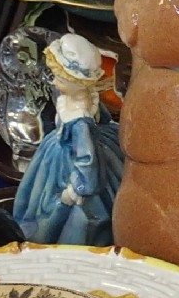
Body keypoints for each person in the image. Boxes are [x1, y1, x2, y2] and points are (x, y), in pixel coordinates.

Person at [11, 35, 124, 245]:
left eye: (60, 79)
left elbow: (87, 160)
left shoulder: (79, 121)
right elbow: (105, 120)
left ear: (78, 83)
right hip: (56, 154)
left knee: (74, 218)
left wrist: (73, 191)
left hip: (70, 166)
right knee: (36, 197)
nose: (53, 81)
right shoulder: (79, 98)